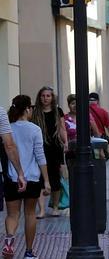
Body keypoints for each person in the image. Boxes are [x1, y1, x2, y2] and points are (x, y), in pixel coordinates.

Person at [3, 96, 50, 259]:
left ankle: (9, 241)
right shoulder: (34, 129)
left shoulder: (7, 129)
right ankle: (29, 252)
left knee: (12, 215)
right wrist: (47, 180)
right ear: (27, 109)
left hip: (12, 177)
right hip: (32, 178)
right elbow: (40, 156)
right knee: (30, 214)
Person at [31, 86, 67, 218]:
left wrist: (66, 142)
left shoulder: (58, 111)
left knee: (55, 178)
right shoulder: (35, 112)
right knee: (39, 178)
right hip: (39, 147)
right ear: (39, 97)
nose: (45, 98)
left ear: (52, 98)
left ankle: (55, 207)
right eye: (42, 96)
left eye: (48, 96)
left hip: (55, 148)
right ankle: (41, 210)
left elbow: (62, 128)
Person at [89, 92, 109, 159]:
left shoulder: (84, 111)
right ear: (98, 101)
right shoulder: (103, 111)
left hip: (88, 139)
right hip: (100, 139)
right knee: (100, 158)